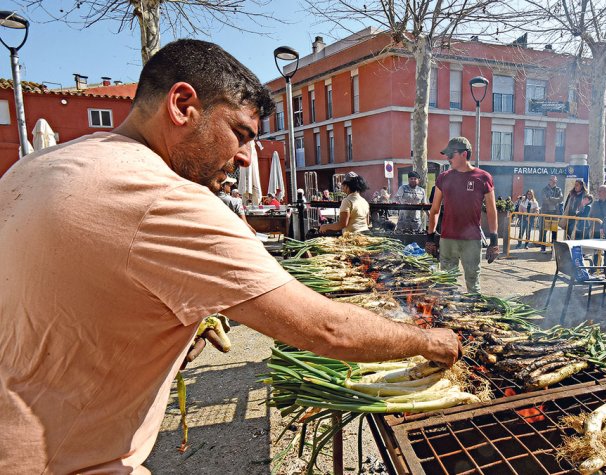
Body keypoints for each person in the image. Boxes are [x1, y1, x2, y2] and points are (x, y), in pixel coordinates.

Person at [0, 39, 460, 474]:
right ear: (182, 105)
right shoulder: (165, 198)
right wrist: (431, 342)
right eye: (240, 133)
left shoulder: (35, 167)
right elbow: (327, 330)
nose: (246, 157)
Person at [426, 137, 498, 293]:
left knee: (473, 284)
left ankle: (475, 315)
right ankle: (447, 315)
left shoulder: (483, 177)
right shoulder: (443, 177)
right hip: (447, 240)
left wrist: (494, 241)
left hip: (471, 241)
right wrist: (430, 237)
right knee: (446, 284)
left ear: (464, 154)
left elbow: (492, 210)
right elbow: (435, 209)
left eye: (451, 154)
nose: (448, 158)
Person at [539, 175, 564, 252]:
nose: (553, 182)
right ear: (549, 180)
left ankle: (553, 247)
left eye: (554, 180)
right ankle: (543, 247)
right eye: (552, 180)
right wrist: (554, 200)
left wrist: (550, 198)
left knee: (554, 231)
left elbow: (561, 199)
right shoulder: (544, 189)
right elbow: (544, 199)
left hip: (555, 213)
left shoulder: (558, 189)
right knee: (544, 230)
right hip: (546, 212)